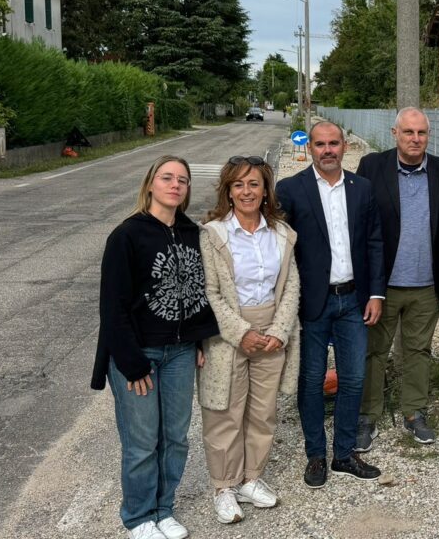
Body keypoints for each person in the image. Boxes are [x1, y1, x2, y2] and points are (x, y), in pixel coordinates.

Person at [92, 155, 217, 539]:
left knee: (176, 438)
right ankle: (139, 516)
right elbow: (112, 306)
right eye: (167, 177)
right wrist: (132, 364)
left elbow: (196, 292)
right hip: (138, 355)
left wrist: (197, 337)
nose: (175, 185)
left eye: (182, 179)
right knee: (142, 442)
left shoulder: (192, 233)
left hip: (179, 352)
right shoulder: (127, 235)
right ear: (150, 184)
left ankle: (165, 509)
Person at [277, 122, 386, 489]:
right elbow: (282, 251)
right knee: (310, 380)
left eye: (334, 143)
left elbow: (374, 242)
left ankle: (342, 454)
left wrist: (376, 294)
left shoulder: (362, 188)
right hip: (313, 303)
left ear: (344, 146)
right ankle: (316, 455)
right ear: (309, 148)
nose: (327, 150)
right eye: (320, 144)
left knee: (353, 379)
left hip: (354, 301)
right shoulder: (290, 190)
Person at [197, 156, 300, 524]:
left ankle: (251, 479)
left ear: (265, 190)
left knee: (262, 412)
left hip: (272, 331)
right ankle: (224, 486)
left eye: (254, 184)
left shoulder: (282, 234)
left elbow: (290, 286)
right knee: (224, 411)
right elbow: (210, 292)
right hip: (229, 335)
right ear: (227, 190)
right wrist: (242, 333)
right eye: (238, 184)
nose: (246, 191)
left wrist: (278, 331)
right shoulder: (213, 235)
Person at [355, 108, 439, 449]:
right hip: (382, 286)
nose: (415, 139)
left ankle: (414, 413)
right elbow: (361, 225)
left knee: (418, 351)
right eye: (408, 133)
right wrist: (368, 284)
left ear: (428, 136)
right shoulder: (372, 167)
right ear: (394, 133)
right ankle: (367, 416)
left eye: (421, 133)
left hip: (427, 285)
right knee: (373, 351)